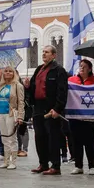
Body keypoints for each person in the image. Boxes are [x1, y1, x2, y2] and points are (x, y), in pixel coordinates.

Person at [25, 45, 69, 175]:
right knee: (40, 137)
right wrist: (27, 86)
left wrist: (57, 108)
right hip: (38, 107)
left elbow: (62, 91)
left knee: (53, 137)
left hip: (50, 108)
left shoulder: (59, 70)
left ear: (54, 55)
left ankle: (55, 165)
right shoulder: (39, 69)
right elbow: (33, 88)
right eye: (43, 52)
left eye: (47, 52)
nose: (44, 54)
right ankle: (43, 163)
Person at [67, 59, 94, 175]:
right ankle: (78, 165)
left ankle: (92, 166)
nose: (82, 68)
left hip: (89, 117)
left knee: (89, 141)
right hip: (75, 116)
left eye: (84, 67)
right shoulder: (71, 81)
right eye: (80, 66)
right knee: (76, 141)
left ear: (90, 69)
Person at [0, 65, 25, 169]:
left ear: (14, 73)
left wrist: (20, 116)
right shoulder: (0, 86)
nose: (8, 73)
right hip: (1, 113)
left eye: (10, 71)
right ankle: (6, 160)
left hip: (11, 114)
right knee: (4, 138)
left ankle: (13, 161)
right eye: (6, 71)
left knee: (12, 138)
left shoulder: (17, 85)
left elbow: (21, 102)